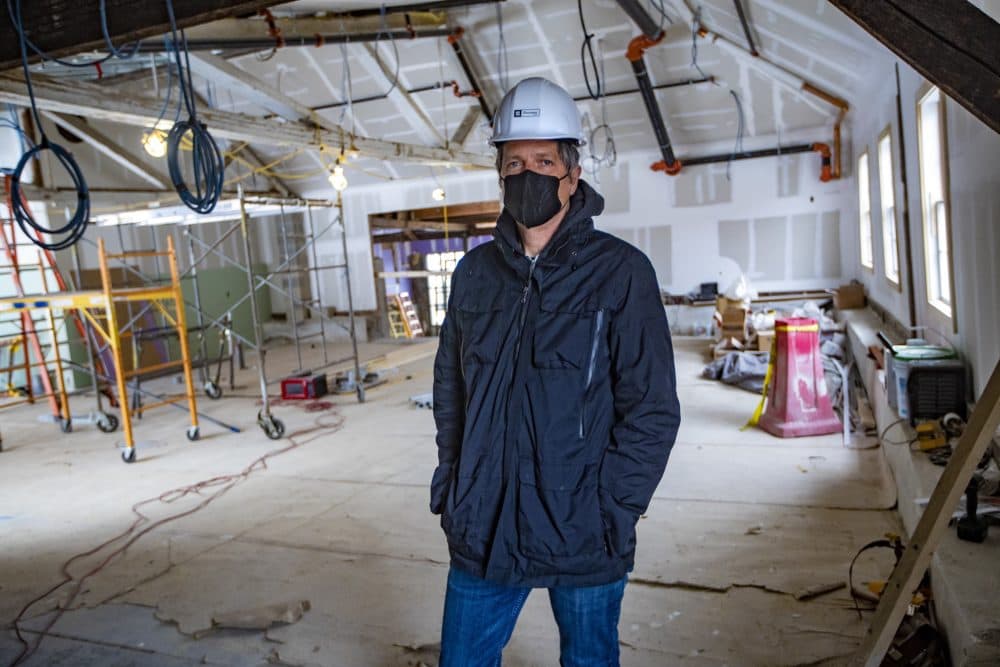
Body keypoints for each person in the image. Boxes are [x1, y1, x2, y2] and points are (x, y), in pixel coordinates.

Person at [430, 77, 681, 667]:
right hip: (483, 524)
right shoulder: (473, 275)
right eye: (514, 162)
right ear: (499, 174)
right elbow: (451, 392)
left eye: (544, 160)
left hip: (584, 530)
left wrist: (614, 508)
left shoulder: (621, 273)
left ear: (572, 172)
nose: (528, 175)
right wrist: (453, 485)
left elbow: (651, 409)